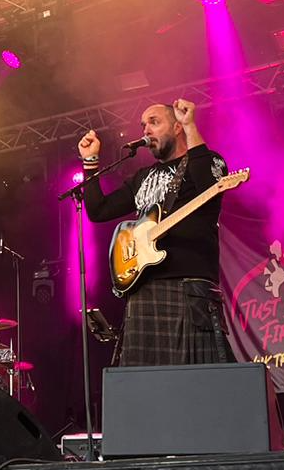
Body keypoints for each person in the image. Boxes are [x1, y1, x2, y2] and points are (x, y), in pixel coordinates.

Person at [78, 99, 234, 366]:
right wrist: (90, 162)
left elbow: (210, 189)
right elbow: (98, 211)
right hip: (143, 290)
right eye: (143, 125)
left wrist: (190, 126)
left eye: (154, 122)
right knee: (145, 385)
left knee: (199, 381)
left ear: (175, 128)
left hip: (189, 288)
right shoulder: (142, 177)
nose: (146, 130)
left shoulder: (208, 160)